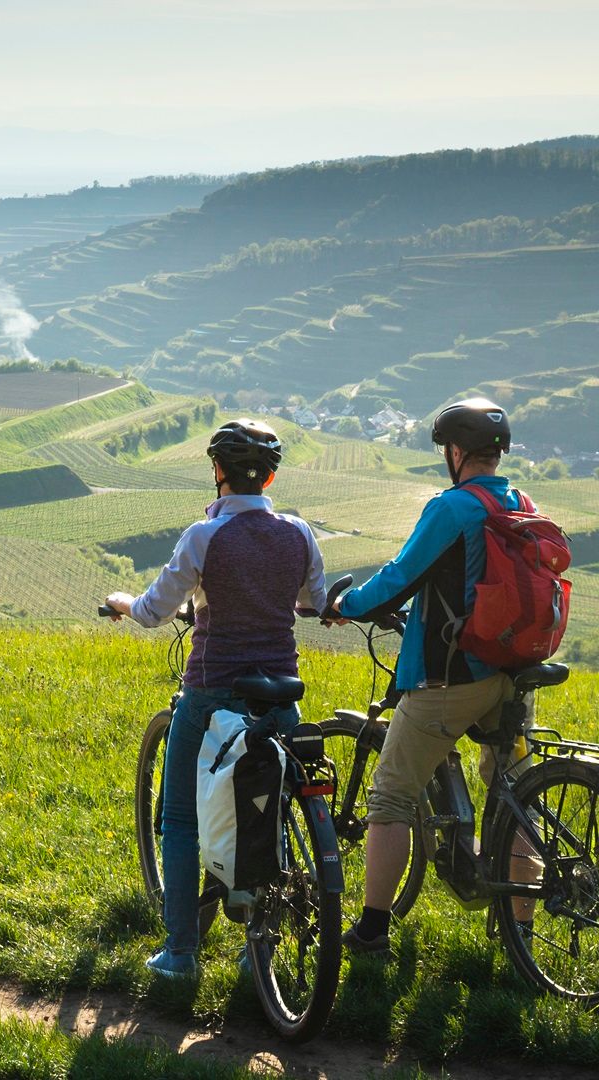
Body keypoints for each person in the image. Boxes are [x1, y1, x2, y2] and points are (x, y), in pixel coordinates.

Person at [103, 418, 326, 980]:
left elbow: (155, 610)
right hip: (280, 690)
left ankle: (181, 955)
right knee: (270, 814)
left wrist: (121, 601)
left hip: (211, 692)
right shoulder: (299, 534)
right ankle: (262, 954)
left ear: (218, 472)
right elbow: (312, 601)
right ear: (270, 477)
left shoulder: (203, 537)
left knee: (178, 818)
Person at [323, 397, 533, 955]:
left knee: (390, 797)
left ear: (456, 453)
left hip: (453, 678)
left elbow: (400, 577)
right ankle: (523, 932)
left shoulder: (453, 509)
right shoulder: (518, 501)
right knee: (514, 793)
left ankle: (371, 931)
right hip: (512, 673)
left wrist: (348, 605)